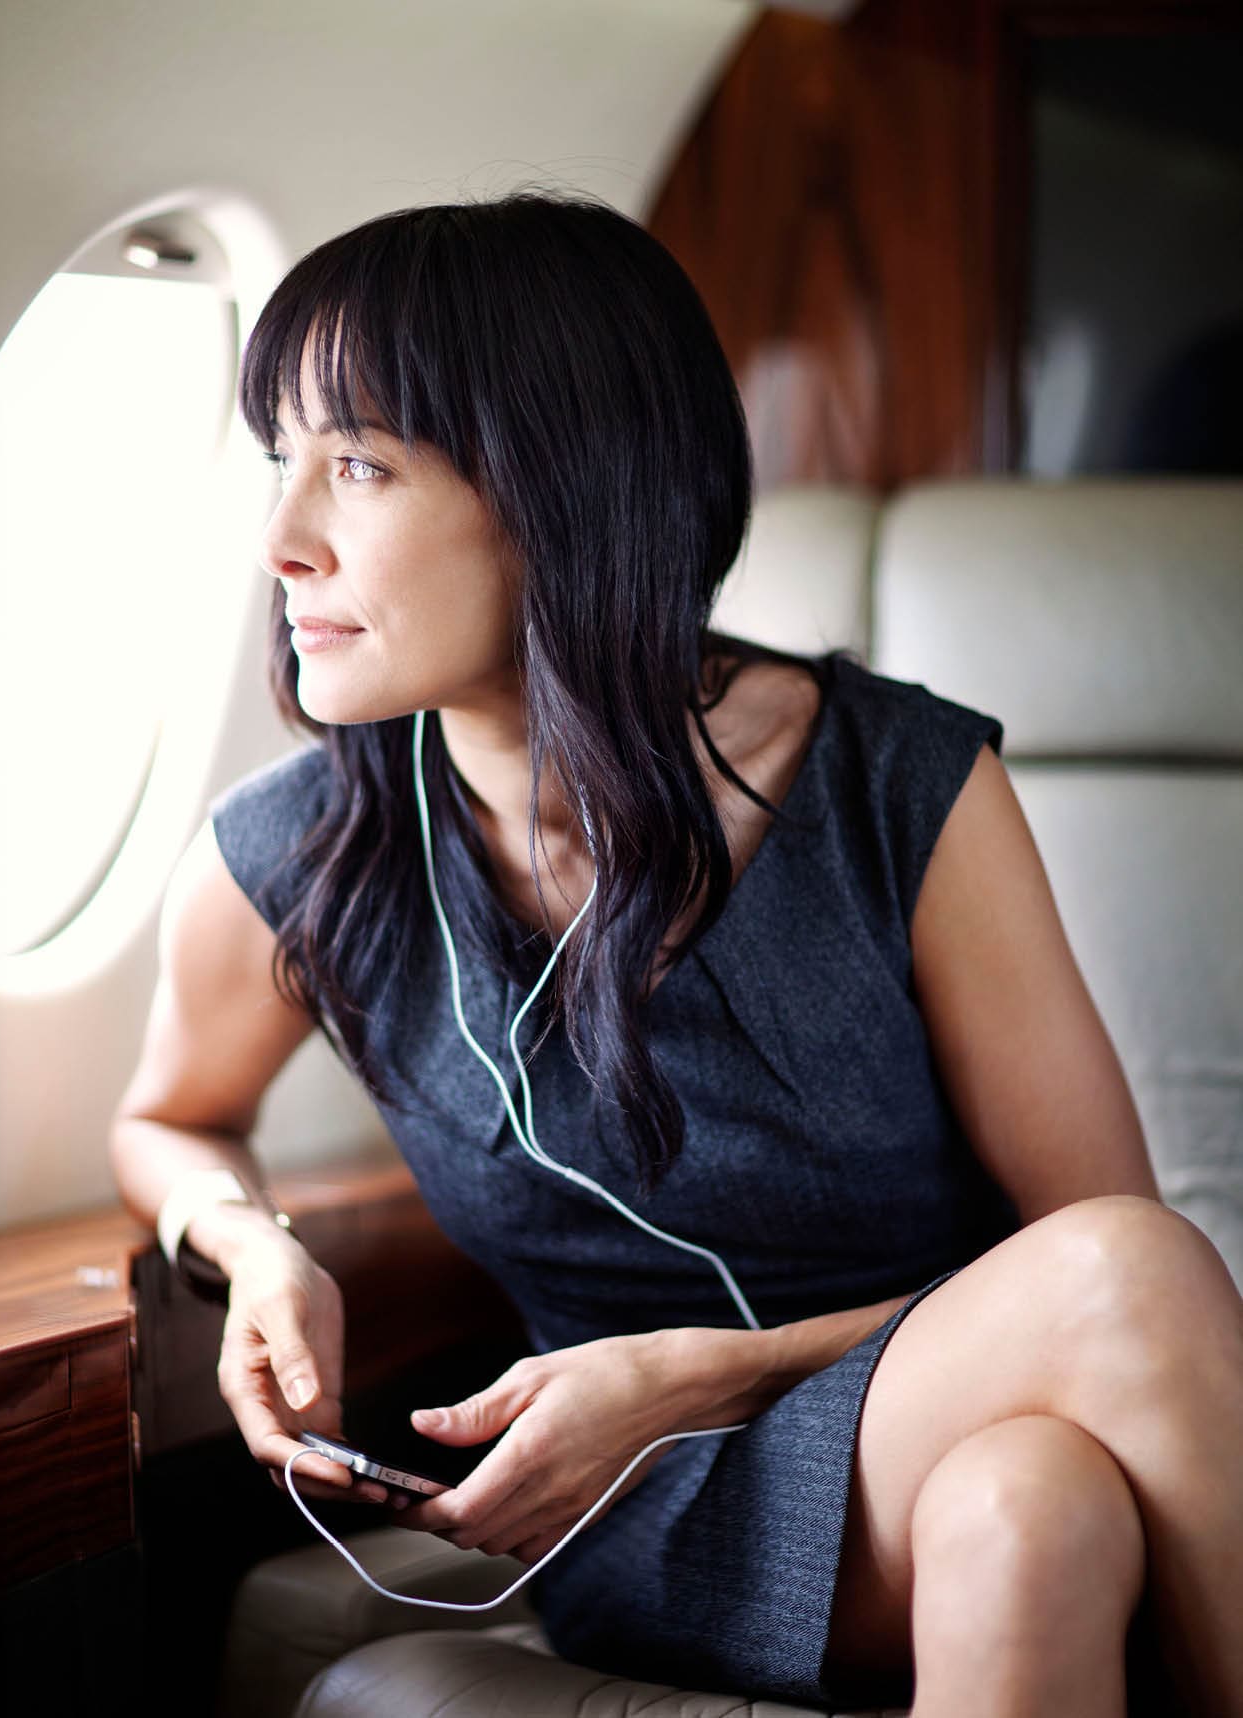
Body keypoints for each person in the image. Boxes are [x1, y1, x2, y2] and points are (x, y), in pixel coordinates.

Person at [108, 189, 1243, 1714]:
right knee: (1113, 1313)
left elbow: (1092, 1264)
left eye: (358, 466)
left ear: (561, 494)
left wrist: (694, 1370)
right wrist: (251, 1249)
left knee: (1030, 1504)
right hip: (626, 1510)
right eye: (280, 463)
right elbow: (167, 1114)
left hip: (920, 1425)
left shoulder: (896, 785)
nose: (282, 539)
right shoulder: (299, 854)